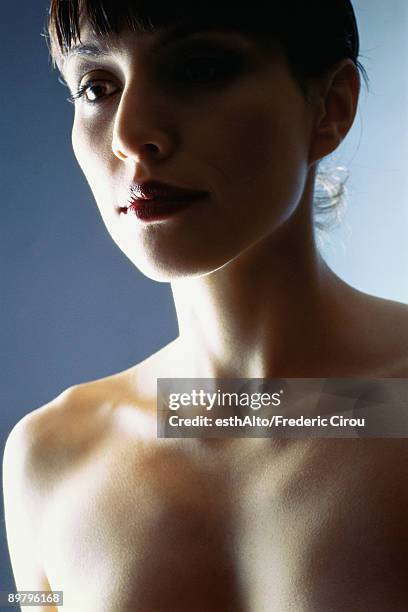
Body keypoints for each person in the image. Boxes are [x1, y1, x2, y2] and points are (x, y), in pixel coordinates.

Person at [3, 1, 408, 610]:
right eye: (96, 87)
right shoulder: (47, 459)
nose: (129, 135)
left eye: (196, 68)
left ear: (329, 108)